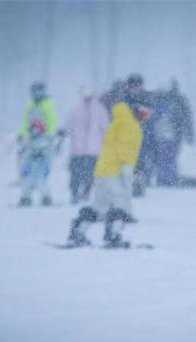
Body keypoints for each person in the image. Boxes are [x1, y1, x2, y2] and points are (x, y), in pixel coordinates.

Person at [67, 102, 143, 248]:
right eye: (144, 112)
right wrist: (127, 166)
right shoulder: (130, 124)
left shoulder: (119, 120)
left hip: (103, 170)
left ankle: (78, 231)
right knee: (121, 203)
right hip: (115, 170)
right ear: (136, 109)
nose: (145, 116)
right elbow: (124, 147)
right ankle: (113, 234)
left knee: (99, 205)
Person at [64, 85, 109, 204]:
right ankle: (74, 193)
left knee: (90, 174)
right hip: (78, 149)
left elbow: (105, 128)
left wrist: (107, 142)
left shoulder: (100, 110)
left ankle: (85, 193)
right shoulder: (75, 110)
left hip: (93, 149)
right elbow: (68, 126)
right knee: (75, 174)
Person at [18, 81, 59, 206]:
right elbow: (25, 123)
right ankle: (26, 196)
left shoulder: (48, 105)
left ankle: (45, 196)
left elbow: (53, 122)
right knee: (27, 171)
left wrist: (49, 135)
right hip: (31, 142)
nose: (36, 93)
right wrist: (22, 135)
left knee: (41, 172)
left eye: (39, 91)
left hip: (44, 142)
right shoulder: (30, 106)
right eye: (34, 91)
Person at [150, 79, 193, 186]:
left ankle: (165, 178)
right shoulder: (178, 99)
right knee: (170, 157)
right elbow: (187, 117)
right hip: (171, 134)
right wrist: (188, 133)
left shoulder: (158, 99)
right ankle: (169, 179)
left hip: (162, 134)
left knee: (165, 157)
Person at [122, 74, 154, 196]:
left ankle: (138, 185)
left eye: (137, 85)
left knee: (140, 162)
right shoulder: (123, 98)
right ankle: (127, 184)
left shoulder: (146, 97)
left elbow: (149, 115)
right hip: (126, 135)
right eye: (133, 86)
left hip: (142, 135)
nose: (135, 88)